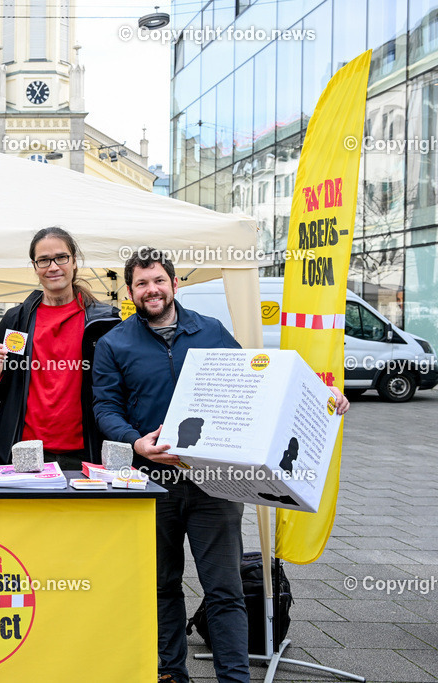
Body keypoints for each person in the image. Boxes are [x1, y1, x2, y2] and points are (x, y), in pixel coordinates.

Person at [92, 249, 349, 683]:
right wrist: (136, 441)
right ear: (131, 291)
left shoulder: (210, 331)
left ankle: (235, 677)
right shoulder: (114, 343)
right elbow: (104, 407)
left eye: (158, 280)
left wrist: (322, 398)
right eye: (141, 283)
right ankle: (172, 672)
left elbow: (258, 383)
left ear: (175, 284)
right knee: (161, 585)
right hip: (152, 482)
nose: (151, 290)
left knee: (224, 588)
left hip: (215, 480)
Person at [0, 227, 120, 469]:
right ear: (35, 267)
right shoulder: (16, 320)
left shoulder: (104, 322)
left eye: (61, 258)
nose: (53, 267)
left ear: (74, 262)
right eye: (44, 260)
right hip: (24, 451)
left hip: (86, 453)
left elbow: (118, 390)